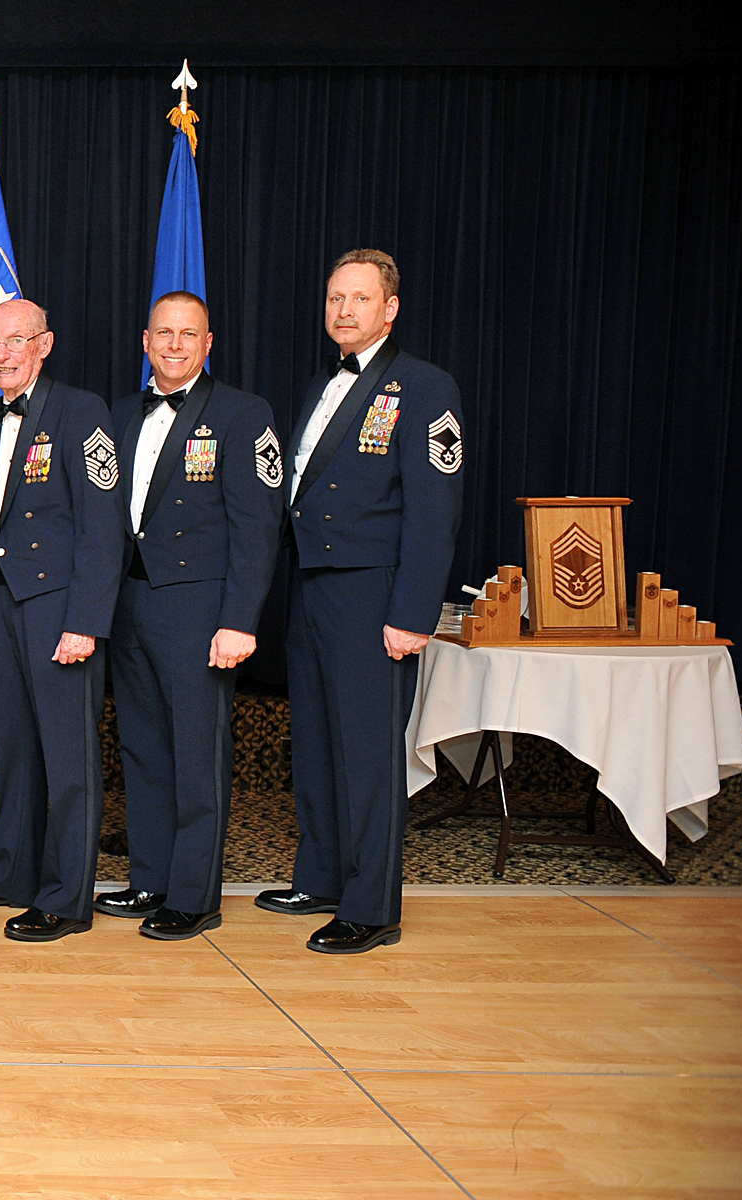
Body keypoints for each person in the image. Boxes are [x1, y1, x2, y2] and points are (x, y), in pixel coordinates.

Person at [259, 248, 463, 954]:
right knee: (317, 743)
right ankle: (320, 876)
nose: (343, 310)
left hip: (374, 596)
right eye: (335, 298)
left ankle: (372, 908)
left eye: (359, 298)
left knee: (369, 755)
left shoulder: (425, 389)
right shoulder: (323, 385)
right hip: (313, 587)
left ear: (390, 308)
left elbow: (435, 514)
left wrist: (412, 615)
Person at [99, 292, 284, 939]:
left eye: (189, 335)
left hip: (200, 612)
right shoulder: (121, 415)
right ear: (145, 341)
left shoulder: (241, 414)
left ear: (208, 345)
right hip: (129, 606)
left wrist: (240, 619)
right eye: (164, 334)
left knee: (195, 754)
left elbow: (257, 529)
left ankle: (194, 894)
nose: (175, 345)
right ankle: (149, 877)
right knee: (143, 749)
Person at [0, 299, 125, 942]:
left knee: (67, 759)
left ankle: (66, 898)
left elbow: (103, 531)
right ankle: (8, 873)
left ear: (44, 344)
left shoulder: (81, 413)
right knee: (14, 751)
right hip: (0, 606)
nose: (3, 351)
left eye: (17, 340)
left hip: (59, 611)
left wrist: (86, 621)